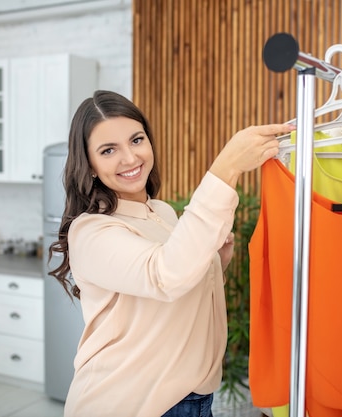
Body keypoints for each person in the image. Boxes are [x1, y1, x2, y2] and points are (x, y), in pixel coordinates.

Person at [49, 89, 294, 417]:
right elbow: (164, 275)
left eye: (136, 140)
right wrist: (226, 168)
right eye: (109, 150)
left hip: (193, 400)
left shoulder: (162, 213)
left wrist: (213, 264)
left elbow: (171, 293)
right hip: (130, 405)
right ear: (89, 165)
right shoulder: (91, 232)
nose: (130, 158)